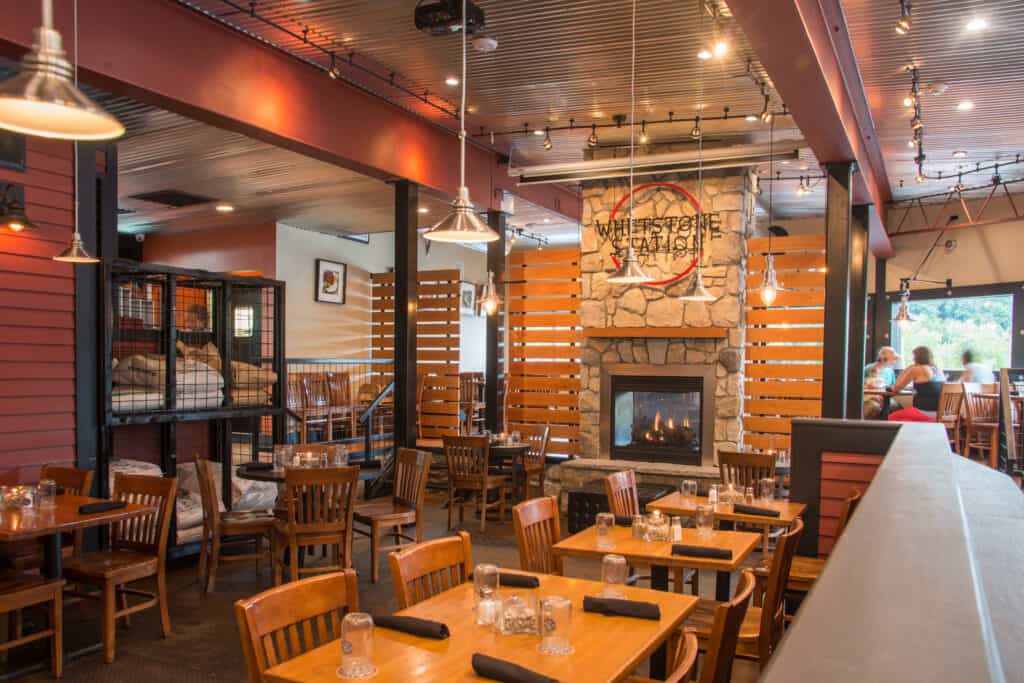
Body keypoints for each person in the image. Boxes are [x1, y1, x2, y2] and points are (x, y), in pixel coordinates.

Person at [891, 345, 945, 416]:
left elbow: (896, 388)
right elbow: (929, 387)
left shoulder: (917, 369)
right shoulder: (938, 369)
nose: (913, 359)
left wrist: (908, 368)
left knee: (891, 417)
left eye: (913, 357)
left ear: (916, 357)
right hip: (941, 412)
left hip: (923, 412)